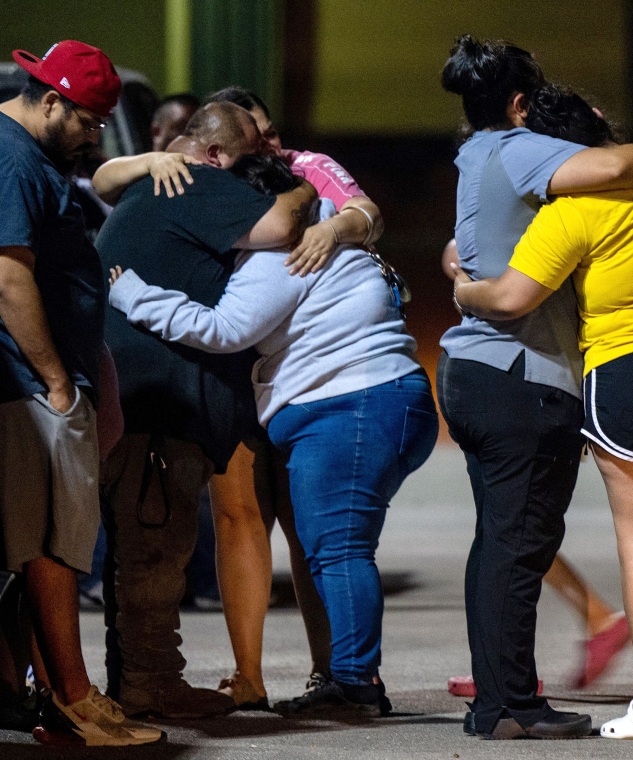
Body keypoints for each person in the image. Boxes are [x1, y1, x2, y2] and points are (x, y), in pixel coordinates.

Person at [436, 34, 633, 740]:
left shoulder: (478, 156)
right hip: (522, 375)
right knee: (522, 545)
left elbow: (469, 253)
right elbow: (619, 162)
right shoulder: (526, 151)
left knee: (504, 544)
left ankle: (508, 698)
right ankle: (508, 704)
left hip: (480, 374)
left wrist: (459, 281)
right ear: (516, 104)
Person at [107, 152, 439, 717]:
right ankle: (348, 678)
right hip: (373, 403)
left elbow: (227, 328)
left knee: (339, 551)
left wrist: (134, 294)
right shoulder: (331, 228)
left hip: (347, 409)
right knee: (334, 548)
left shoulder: (282, 250)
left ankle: (355, 684)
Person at [92, 102, 317, 720]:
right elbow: (278, 230)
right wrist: (303, 188)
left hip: (119, 398)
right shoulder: (198, 183)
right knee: (155, 551)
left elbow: (106, 177)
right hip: (158, 409)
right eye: (251, 163)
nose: (256, 176)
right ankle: (151, 682)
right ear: (216, 156)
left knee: (132, 550)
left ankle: (134, 680)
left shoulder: (147, 188)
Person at [199, 86, 385, 710]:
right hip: (234, 366)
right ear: (224, 145)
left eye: (274, 131)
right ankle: (249, 678)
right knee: (239, 521)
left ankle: (332, 673)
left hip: (298, 374)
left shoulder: (307, 168)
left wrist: (332, 225)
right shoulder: (208, 179)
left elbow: (370, 214)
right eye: (259, 137)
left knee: (310, 530)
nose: (273, 145)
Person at [0, 39, 163, 746]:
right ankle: (71, 701)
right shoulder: (12, 158)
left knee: (42, 548)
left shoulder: (27, 155)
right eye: (89, 121)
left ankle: (58, 701)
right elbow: (7, 278)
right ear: (51, 101)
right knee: (53, 548)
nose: (95, 135)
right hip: (32, 385)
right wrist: (58, 380)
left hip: (38, 381)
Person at [441, 239, 630, 697]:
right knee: (508, 527)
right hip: (535, 371)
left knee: (510, 528)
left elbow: (474, 270)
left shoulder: (552, 210)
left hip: (533, 371)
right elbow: (453, 251)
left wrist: (467, 286)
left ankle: (507, 667)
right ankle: (508, 658)